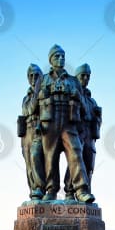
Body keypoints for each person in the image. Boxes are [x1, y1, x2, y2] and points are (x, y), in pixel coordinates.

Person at [37, 44, 95, 203]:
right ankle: (51, 190)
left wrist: (75, 94)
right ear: (51, 60)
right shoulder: (43, 79)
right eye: (57, 56)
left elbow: (84, 105)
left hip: (69, 120)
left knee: (76, 151)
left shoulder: (73, 80)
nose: (61, 58)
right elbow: (35, 104)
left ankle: (81, 190)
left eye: (63, 56)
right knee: (50, 156)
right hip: (49, 120)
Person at [64, 63, 101, 200]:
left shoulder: (92, 101)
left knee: (88, 165)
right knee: (75, 162)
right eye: (82, 76)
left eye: (88, 76)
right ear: (77, 77)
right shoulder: (72, 95)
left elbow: (97, 121)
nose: (85, 78)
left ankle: (86, 192)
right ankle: (69, 191)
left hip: (89, 136)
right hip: (76, 132)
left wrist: (97, 118)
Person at [18, 64, 45, 200]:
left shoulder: (42, 94)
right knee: (29, 165)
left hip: (39, 131)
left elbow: (34, 109)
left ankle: (40, 188)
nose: (34, 78)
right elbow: (28, 110)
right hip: (26, 133)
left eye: (37, 76)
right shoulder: (26, 97)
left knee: (36, 157)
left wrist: (38, 90)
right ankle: (34, 191)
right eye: (31, 76)